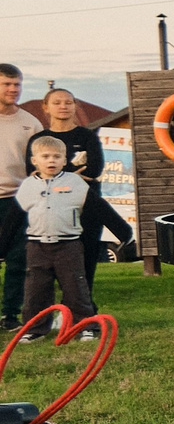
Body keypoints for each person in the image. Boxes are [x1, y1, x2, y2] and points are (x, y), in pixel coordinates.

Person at [33, 86, 132, 295]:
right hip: (52, 212)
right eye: (57, 102)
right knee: (49, 266)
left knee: (86, 262)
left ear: (75, 106)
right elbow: (31, 172)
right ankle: (51, 312)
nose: (63, 106)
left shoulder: (87, 137)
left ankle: (85, 311)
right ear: (46, 108)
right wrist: (73, 173)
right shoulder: (39, 139)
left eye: (68, 102)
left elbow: (95, 168)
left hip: (86, 210)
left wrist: (54, 173)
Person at [13, 136, 94, 337]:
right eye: (46, 156)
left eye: (57, 157)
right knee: (35, 291)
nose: (51, 161)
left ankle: (85, 327)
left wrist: (123, 233)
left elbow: (97, 209)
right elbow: (13, 218)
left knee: (76, 289)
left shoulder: (75, 182)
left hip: (69, 246)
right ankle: (34, 329)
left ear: (65, 161)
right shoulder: (28, 186)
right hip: (37, 247)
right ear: (34, 161)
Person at [0, 65, 39, 329]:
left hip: (19, 200)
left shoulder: (30, 122)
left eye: (17, 84)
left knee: (18, 259)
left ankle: (10, 315)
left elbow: (38, 164)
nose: (14, 89)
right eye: (7, 84)